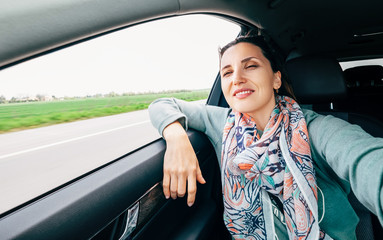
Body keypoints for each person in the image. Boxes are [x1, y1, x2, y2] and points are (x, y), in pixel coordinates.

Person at [148, 35, 383, 240]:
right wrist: (177, 137)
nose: (236, 78)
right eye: (227, 72)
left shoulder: (317, 129)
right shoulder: (221, 122)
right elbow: (163, 104)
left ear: (276, 79)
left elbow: (366, 161)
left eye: (250, 66)